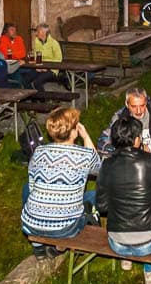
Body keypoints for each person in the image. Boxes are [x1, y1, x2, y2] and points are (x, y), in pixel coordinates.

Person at [96, 87, 151, 274]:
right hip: (141, 165)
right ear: (126, 105)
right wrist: (127, 155)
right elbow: (104, 141)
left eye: (142, 105)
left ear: (147, 102)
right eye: (134, 106)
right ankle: (149, 263)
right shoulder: (120, 118)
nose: (138, 111)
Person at [96, 115, 151, 284]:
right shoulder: (150, 161)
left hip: (117, 242)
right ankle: (150, 274)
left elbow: (102, 206)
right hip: (148, 243)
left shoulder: (106, 165)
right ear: (137, 140)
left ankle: (126, 260)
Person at [21, 106, 101, 258]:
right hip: (65, 228)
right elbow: (98, 168)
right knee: (93, 196)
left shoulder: (39, 151)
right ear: (74, 130)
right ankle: (59, 247)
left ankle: (38, 247)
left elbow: (32, 186)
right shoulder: (84, 155)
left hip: (30, 224)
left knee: (27, 188)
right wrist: (85, 137)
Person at [25, 22, 63, 91]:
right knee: (26, 79)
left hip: (52, 69)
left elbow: (58, 59)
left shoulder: (54, 43)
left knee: (37, 82)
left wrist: (46, 67)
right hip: (39, 67)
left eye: (38, 31)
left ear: (43, 32)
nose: (36, 34)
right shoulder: (36, 41)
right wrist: (36, 63)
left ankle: (43, 100)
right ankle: (34, 98)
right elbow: (35, 54)